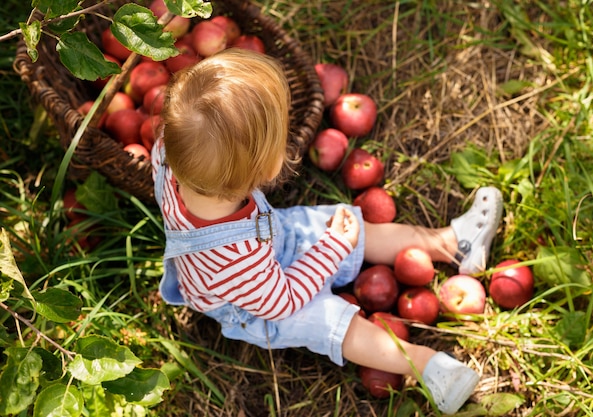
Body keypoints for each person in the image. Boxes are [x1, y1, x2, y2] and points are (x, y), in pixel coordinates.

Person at [152, 48, 503, 414]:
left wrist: (333, 240)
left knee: (350, 226)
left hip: (268, 246)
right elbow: (282, 301)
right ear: (269, 168)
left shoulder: (168, 152)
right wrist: (332, 248)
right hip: (254, 305)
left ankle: (453, 245)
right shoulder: (235, 259)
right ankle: (428, 366)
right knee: (335, 324)